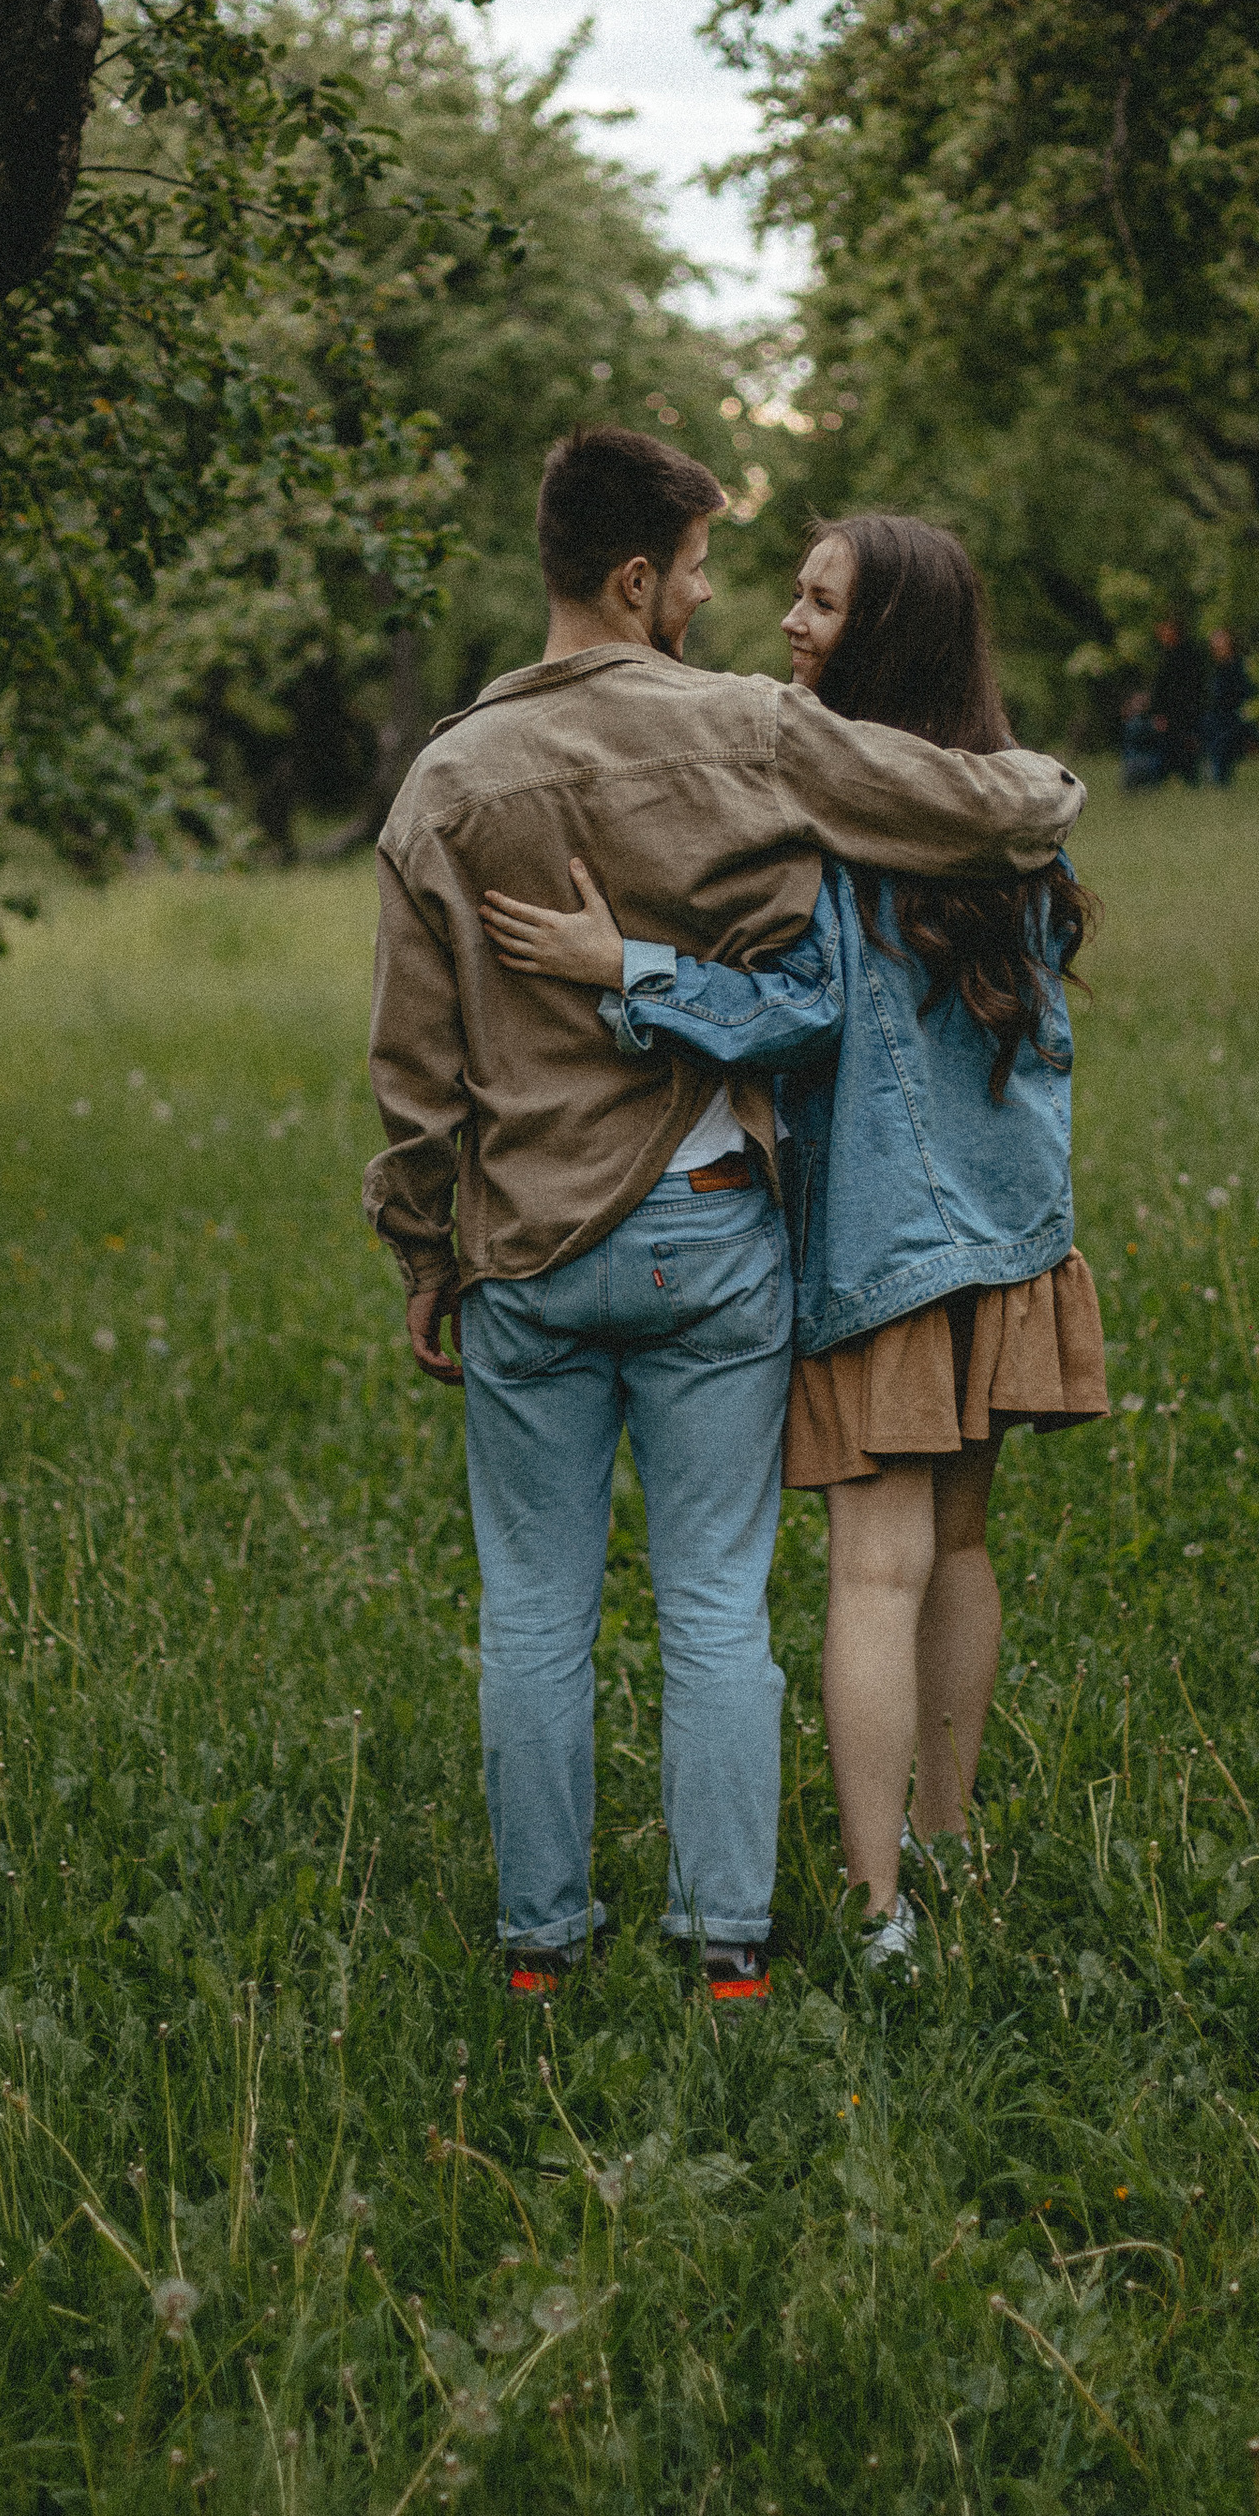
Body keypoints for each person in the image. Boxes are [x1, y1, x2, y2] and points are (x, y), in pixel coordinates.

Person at [364, 432, 1087, 2007]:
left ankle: (542, 1949)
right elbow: (967, 808)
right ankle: (729, 1946)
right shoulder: (748, 734)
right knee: (715, 1604)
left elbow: (414, 1070)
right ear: (638, 580)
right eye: (697, 572)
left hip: (522, 1259)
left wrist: (428, 1248)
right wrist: (1047, 789)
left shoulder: (443, 779)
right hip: (710, 1231)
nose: (716, 600)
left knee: (534, 1609)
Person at [1148, 613, 1207, 784]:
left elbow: (1188, 689)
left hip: (1183, 714)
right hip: (1170, 715)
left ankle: (1188, 780)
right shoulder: (1166, 655)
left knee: (1184, 750)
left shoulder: (1188, 656)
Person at [1199, 626, 1251, 786]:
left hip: (1236, 715)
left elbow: (1244, 694)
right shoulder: (1213, 669)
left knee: (1221, 738)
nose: (1218, 646)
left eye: (1221, 641)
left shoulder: (1239, 665)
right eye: (1215, 643)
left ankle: (1219, 778)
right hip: (1217, 716)